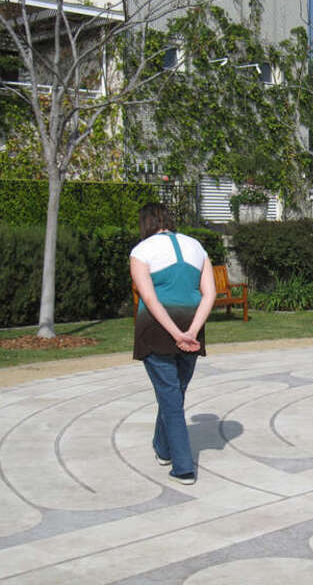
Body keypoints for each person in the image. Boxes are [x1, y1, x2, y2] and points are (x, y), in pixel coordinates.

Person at [130, 203, 216, 485]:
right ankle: (163, 447)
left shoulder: (141, 251)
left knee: (171, 397)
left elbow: (149, 298)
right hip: (191, 328)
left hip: (157, 330)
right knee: (173, 394)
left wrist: (176, 333)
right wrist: (190, 330)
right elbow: (210, 295)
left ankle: (183, 466)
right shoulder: (197, 247)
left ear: (145, 223)